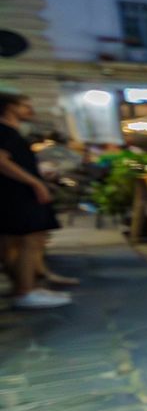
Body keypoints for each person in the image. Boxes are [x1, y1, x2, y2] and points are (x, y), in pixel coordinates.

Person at [0, 91, 71, 309]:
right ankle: (26, 290)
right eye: (24, 105)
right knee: (29, 241)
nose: (30, 110)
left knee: (15, 242)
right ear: (10, 107)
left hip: (13, 194)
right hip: (16, 194)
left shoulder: (10, 132)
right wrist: (35, 182)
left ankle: (24, 287)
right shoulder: (5, 132)